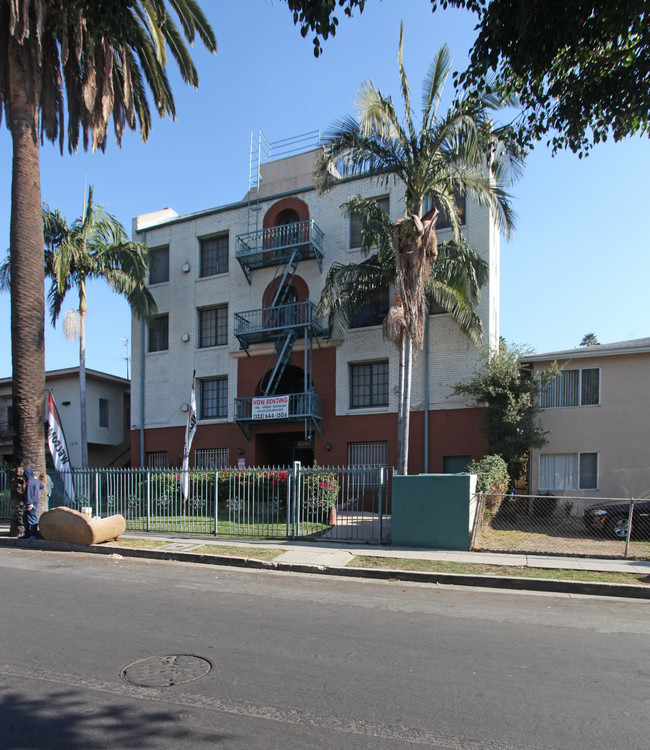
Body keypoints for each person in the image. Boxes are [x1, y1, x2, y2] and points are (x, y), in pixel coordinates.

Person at [22, 467, 44, 540]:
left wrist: (28, 504)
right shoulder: (35, 481)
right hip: (34, 502)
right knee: (25, 518)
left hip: (30, 503)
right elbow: (42, 486)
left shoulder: (29, 482)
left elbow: (29, 494)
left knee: (32, 518)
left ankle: (34, 534)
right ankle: (27, 533)